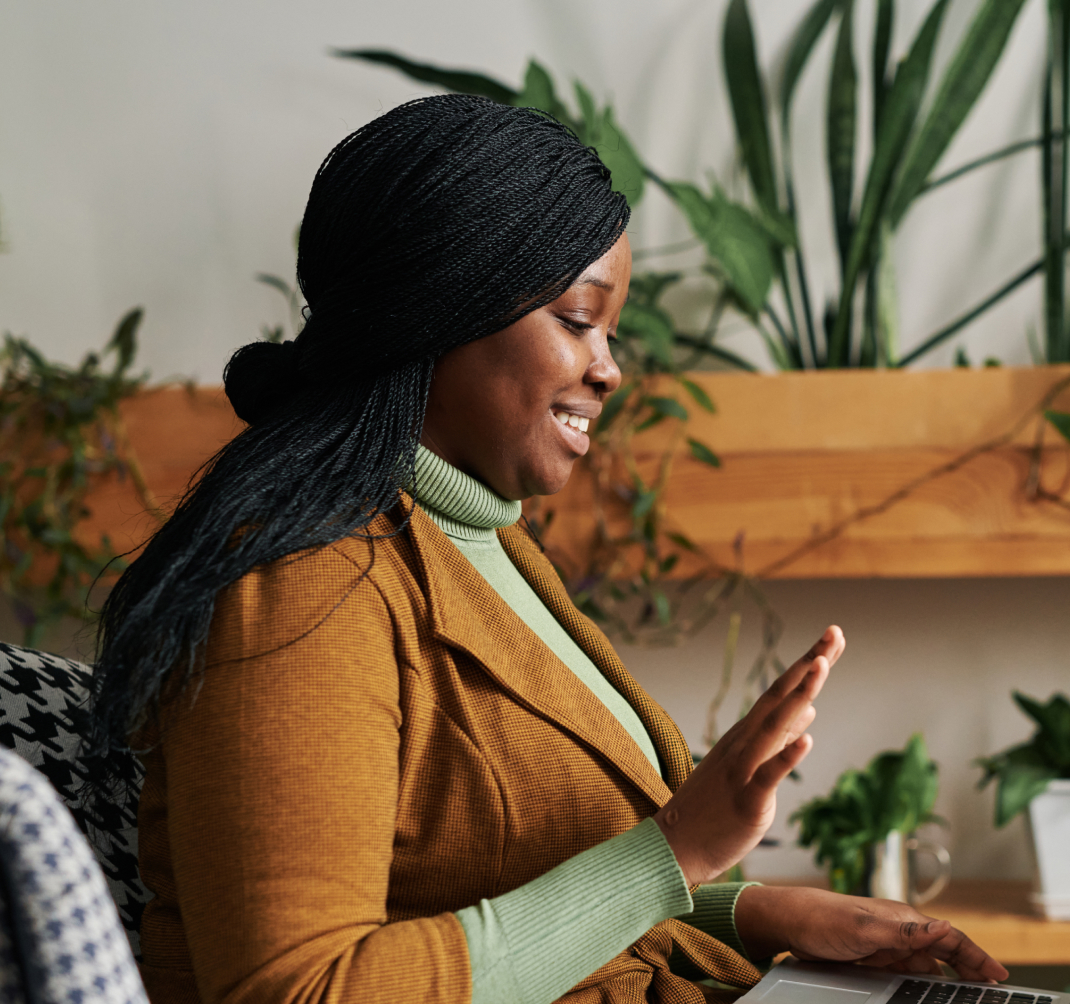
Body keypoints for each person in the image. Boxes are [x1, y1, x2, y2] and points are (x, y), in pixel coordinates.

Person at [89, 94, 1008, 1004]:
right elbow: (302, 990)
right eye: (578, 320)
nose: (609, 369)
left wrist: (762, 911)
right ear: (439, 311)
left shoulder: (479, 538)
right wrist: (675, 852)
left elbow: (514, 885)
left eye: (613, 332)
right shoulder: (303, 583)